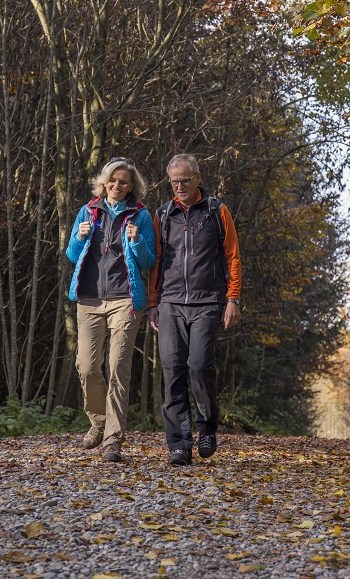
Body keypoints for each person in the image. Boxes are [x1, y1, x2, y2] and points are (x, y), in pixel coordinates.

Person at [148, 153, 242, 466]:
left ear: (197, 178)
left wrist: (233, 298)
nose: (179, 186)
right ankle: (179, 444)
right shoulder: (162, 215)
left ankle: (207, 428)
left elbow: (232, 257)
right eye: (174, 182)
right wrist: (152, 303)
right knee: (172, 370)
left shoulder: (217, 210)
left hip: (207, 302)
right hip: (170, 302)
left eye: (184, 181)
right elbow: (156, 262)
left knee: (199, 365)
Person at [66, 158, 155, 463]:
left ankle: (113, 440)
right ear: (104, 183)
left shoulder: (140, 215)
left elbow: (148, 261)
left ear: (132, 186)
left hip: (125, 300)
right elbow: (71, 254)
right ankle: (99, 422)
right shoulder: (88, 211)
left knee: (118, 369)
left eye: (124, 182)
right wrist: (79, 236)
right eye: (112, 181)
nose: (117, 186)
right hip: (89, 299)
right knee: (87, 367)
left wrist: (137, 241)